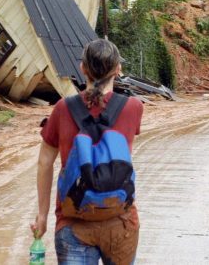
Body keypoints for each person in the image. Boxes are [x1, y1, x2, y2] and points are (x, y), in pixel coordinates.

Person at [32, 39, 144, 264]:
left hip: (74, 223)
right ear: (118, 69)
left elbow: (45, 162)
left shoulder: (63, 108)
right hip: (120, 221)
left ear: (82, 68)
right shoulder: (134, 107)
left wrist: (42, 216)